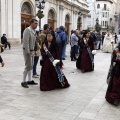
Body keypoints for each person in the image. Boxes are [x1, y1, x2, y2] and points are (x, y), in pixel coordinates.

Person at [21, 19, 38, 88]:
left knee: (31, 66)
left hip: (32, 50)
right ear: (30, 23)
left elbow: (34, 41)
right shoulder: (27, 30)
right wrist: (28, 52)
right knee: (28, 65)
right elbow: (25, 42)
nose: (36, 25)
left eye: (37, 23)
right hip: (27, 51)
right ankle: (23, 81)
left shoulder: (34, 31)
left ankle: (30, 80)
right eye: (35, 23)